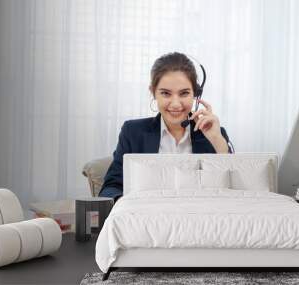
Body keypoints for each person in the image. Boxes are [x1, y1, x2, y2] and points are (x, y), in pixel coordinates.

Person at [99, 52, 234, 202]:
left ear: (195, 94)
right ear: (153, 93)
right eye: (166, 93)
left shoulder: (214, 133)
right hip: (148, 219)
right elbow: (110, 189)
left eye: (184, 93)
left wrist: (217, 140)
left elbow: (233, 188)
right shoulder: (133, 132)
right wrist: (132, 207)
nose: (175, 104)